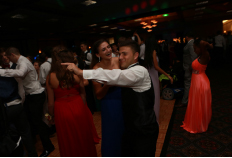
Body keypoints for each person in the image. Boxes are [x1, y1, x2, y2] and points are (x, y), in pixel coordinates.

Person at [62, 40, 159, 157]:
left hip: (143, 129)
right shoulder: (127, 69)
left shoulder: (140, 71)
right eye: (119, 54)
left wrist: (81, 72)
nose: (120, 57)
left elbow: (115, 75)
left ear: (136, 55)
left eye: (125, 54)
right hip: (132, 127)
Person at [0, 47, 54, 157]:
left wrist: (2, 71)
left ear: (13, 55)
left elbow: (20, 73)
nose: (8, 59)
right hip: (33, 95)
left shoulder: (23, 61)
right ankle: (45, 142)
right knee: (36, 121)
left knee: (39, 122)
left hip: (36, 95)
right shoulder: (21, 61)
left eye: (8, 57)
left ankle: (48, 146)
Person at [46, 49, 100, 156]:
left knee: (67, 139)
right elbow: (83, 94)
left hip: (61, 110)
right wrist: (82, 107)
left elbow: (50, 103)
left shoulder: (50, 77)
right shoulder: (77, 73)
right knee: (83, 136)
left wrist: (50, 117)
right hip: (78, 105)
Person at [91, 39, 124, 156]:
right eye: (103, 49)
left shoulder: (118, 60)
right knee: (112, 131)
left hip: (123, 97)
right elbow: (98, 95)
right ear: (97, 54)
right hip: (109, 102)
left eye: (108, 47)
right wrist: (107, 85)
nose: (108, 50)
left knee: (125, 129)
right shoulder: (95, 70)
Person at [0, 53, 37, 157]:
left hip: (11, 106)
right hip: (10, 106)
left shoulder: (15, 68)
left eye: (6, 55)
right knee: (20, 132)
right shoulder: (14, 70)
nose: (5, 58)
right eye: (2, 56)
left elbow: (21, 88)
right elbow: (21, 90)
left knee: (18, 132)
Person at [181, 39, 212, 133]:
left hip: (200, 83)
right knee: (195, 103)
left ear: (200, 48)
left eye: (195, 48)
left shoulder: (205, 55)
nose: (194, 51)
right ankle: (195, 122)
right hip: (196, 82)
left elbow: (204, 44)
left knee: (199, 104)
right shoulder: (199, 56)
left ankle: (199, 125)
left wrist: (205, 44)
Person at [144, 36, 173, 123]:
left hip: (149, 76)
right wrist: (167, 75)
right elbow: (156, 67)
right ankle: (154, 120)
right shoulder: (153, 52)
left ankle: (150, 118)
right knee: (156, 98)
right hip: (153, 76)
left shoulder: (146, 53)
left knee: (150, 98)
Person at [176, 31, 198, 107]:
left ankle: (185, 101)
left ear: (187, 37)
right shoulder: (191, 43)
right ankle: (190, 100)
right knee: (189, 83)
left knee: (187, 84)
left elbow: (193, 56)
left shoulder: (191, 43)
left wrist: (191, 68)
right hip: (188, 67)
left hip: (189, 68)